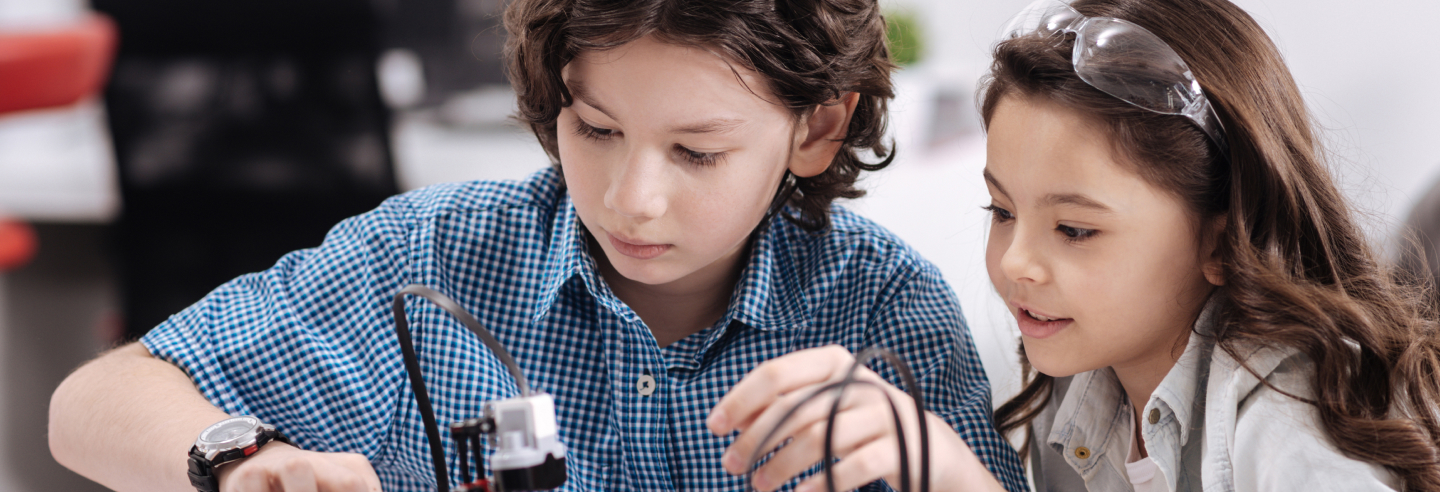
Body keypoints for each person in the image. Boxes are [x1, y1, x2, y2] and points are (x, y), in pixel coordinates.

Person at [47, 0, 1028, 491]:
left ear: (816, 130)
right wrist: (241, 460)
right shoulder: (433, 258)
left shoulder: (881, 306)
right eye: (595, 130)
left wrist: (946, 473)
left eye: (697, 151)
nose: (632, 199)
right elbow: (89, 404)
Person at [712, 0, 1440, 490]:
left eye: (1075, 230)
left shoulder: (1290, 417)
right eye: (1001, 211)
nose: (1016, 262)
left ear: (1222, 240)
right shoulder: (1080, 392)